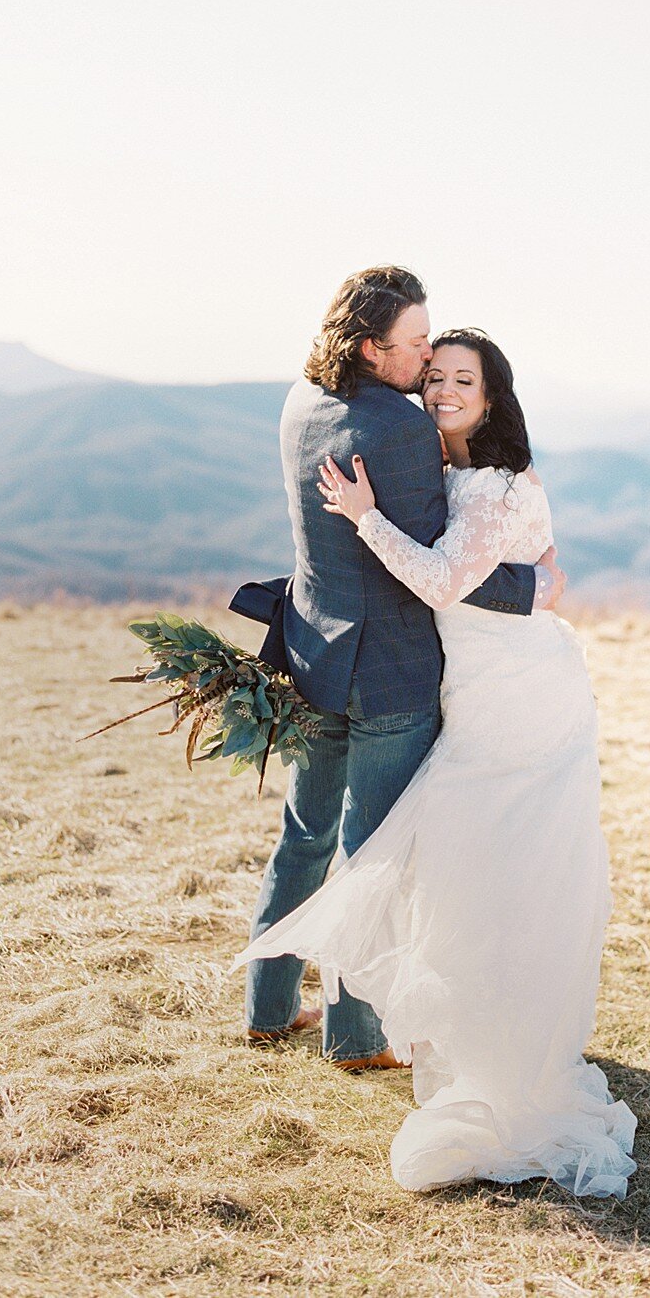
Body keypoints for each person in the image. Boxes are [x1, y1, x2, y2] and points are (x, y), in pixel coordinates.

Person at [236, 326, 637, 1198]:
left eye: (465, 379)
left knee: (482, 861)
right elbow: (487, 575)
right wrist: (527, 584)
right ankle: (451, 1022)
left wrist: (363, 516)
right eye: (437, 373)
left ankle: (494, 1040)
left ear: (493, 399)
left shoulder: (493, 481)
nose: (445, 388)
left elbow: (442, 581)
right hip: (477, 690)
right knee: (458, 863)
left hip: (520, 701)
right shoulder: (441, 466)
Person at [245, 268, 565, 1070]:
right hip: (388, 672)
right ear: (369, 347)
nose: (428, 358)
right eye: (417, 343)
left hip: (314, 654)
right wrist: (533, 583)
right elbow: (433, 564)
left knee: (306, 835)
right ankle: (353, 1036)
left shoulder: (299, 402)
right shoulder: (402, 428)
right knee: (371, 854)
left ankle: (268, 1006)